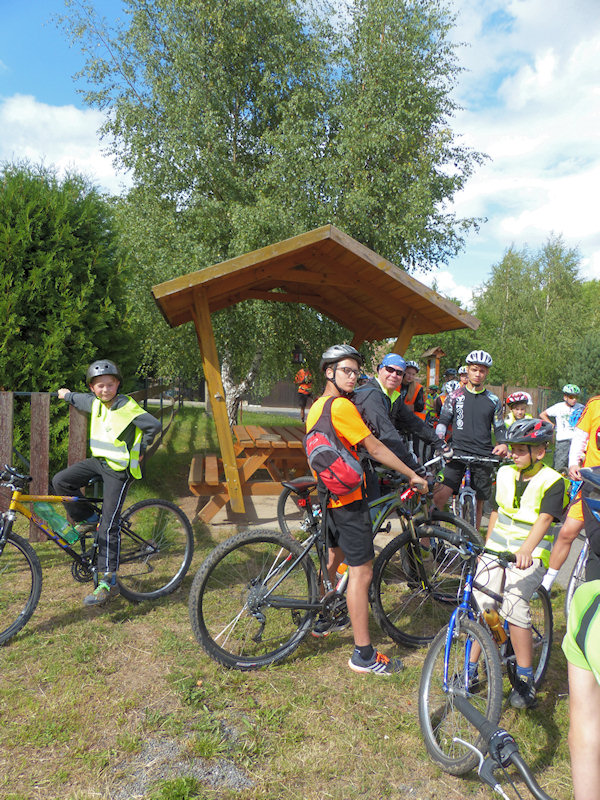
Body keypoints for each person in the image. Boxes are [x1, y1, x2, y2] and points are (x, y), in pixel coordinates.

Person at [306, 344, 428, 673]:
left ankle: (323, 615)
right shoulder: (342, 406)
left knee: (334, 558)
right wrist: (412, 474)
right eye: (346, 370)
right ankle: (363, 655)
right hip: (348, 499)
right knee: (362, 573)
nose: (352, 376)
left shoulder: (316, 407)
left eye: (356, 371)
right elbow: (374, 447)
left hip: (327, 495)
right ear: (329, 372)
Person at [470, 419, 568, 709]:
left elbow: (545, 519)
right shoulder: (504, 473)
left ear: (540, 452)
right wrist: (485, 548)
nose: (513, 454)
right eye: (512, 449)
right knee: (483, 605)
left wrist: (526, 550)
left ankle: (525, 679)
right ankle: (471, 668)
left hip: (531, 555)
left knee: (514, 604)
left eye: (521, 450)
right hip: (497, 550)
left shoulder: (553, 481)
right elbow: (496, 513)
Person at [53, 359, 161, 606]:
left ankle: (108, 581)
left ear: (117, 385)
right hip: (100, 462)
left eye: (110, 385)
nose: (105, 390)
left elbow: (154, 425)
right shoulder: (95, 403)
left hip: (119, 470)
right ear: (92, 388)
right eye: (99, 386)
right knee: (61, 481)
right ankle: (90, 518)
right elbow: (80, 399)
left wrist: (141, 448)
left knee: (109, 526)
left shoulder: (126, 406)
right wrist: (66, 395)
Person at [352, 353, 449, 500]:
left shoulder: (392, 396)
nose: (394, 375)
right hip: (355, 461)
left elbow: (413, 422)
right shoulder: (371, 395)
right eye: (389, 370)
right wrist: (415, 469)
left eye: (399, 373)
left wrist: (439, 444)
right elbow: (387, 435)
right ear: (379, 370)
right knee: (373, 507)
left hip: (372, 459)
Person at [433, 350, 508, 529]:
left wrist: (503, 443)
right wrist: (440, 442)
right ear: (467, 370)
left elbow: (499, 426)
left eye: (482, 371)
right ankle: (427, 538)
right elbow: (443, 422)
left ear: (486, 373)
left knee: (479, 502)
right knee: (440, 497)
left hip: (483, 455)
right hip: (457, 452)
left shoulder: (493, 400)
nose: (478, 374)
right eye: (474, 369)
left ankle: (473, 538)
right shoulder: (454, 397)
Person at [562, 580, 600, 800]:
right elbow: (584, 737)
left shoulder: (587, 603)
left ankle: (525, 675)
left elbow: (585, 734)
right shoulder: (586, 602)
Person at [540, 384, 584, 473]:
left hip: (576, 440)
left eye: (576, 397)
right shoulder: (559, 407)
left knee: (576, 465)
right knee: (560, 465)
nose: (574, 399)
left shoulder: (581, 408)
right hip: (563, 440)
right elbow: (543, 414)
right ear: (565, 397)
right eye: (571, 397)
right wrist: (551, 424)